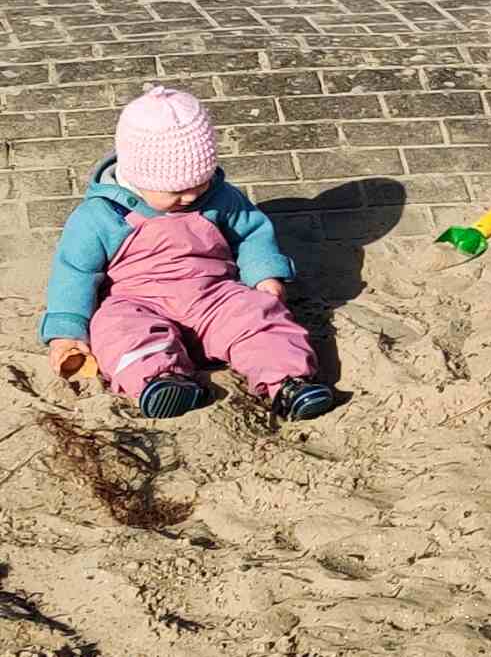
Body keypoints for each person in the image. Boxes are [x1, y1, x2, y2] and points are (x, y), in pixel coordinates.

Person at [38, 85, 333, 421]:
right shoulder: (101, 216)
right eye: (177, 190)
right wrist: (66, 331)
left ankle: (289, 381)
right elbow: (73, 273)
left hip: (213, 296)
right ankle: (162, 379)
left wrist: (263, 274)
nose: (192, 197)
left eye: (201, 183)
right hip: (139, 302)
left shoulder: (221, 198)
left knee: (259, 316)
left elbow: (251, 234)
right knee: (115, 328)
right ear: (137, 177)